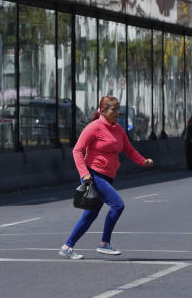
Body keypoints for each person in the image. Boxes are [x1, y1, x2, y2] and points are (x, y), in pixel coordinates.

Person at [59, 95, 154, 260]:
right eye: (114, 110)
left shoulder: (118, 130)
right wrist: (84, 173)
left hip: (108, 175)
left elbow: (130, 150)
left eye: (118, 110)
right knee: (118, 205)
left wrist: (143, 161)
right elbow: (77, 150)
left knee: (90, 215)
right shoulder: (94, 127)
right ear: (103, 110)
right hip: (93, 175)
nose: (117, 113)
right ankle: (104, 244)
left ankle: (67, 247)